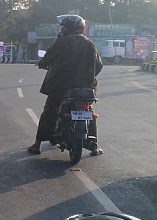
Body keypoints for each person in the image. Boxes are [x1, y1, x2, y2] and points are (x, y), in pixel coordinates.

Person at [27, 15, 103, 156]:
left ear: (68, 28)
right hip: (85, 89)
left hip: (60, 87)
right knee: (89, 112)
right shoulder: (89, 44)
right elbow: (99, 65)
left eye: (64, 27)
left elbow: (47, 59)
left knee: (50, 110)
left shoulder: (61, 43)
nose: (63, 29)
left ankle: (37, 145)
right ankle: (94, 146)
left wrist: (42, 64)